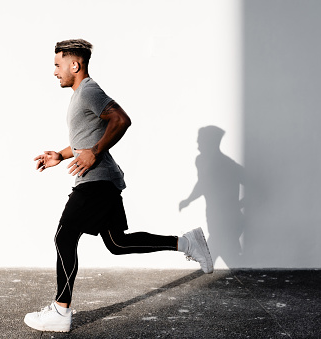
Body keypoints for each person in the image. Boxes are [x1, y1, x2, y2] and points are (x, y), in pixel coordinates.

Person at [24, 39, 213, 333]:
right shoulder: (79, 95)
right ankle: (187, 242)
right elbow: (85, 141)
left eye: (57, 65)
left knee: (64, 236)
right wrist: (60, 155)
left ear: (75, 65)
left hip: (96, 181)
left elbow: (121, 119)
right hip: (104, 179)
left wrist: (95, 151)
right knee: (117, 243)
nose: (54, 72)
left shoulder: (88, 90)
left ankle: (61, 311)